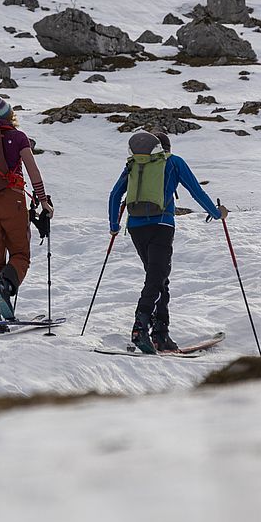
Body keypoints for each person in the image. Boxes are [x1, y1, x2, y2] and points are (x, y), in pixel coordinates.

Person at [107, 130, 227, 354]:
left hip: (135, 227)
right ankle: (140, 327)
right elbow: (196, 191)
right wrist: (216, 213)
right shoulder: (173, 162)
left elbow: (115, 195)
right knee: (156, 278)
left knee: (158, 279)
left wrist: (114, 226)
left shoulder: (134, 164)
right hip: (162, 226)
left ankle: (161, 335)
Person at [0, 96, 52, 326]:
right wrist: (43, 200)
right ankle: (4, 287)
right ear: (9, 115)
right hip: (12, 200)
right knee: (20, 254)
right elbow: (33, 171)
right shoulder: (17, 137)